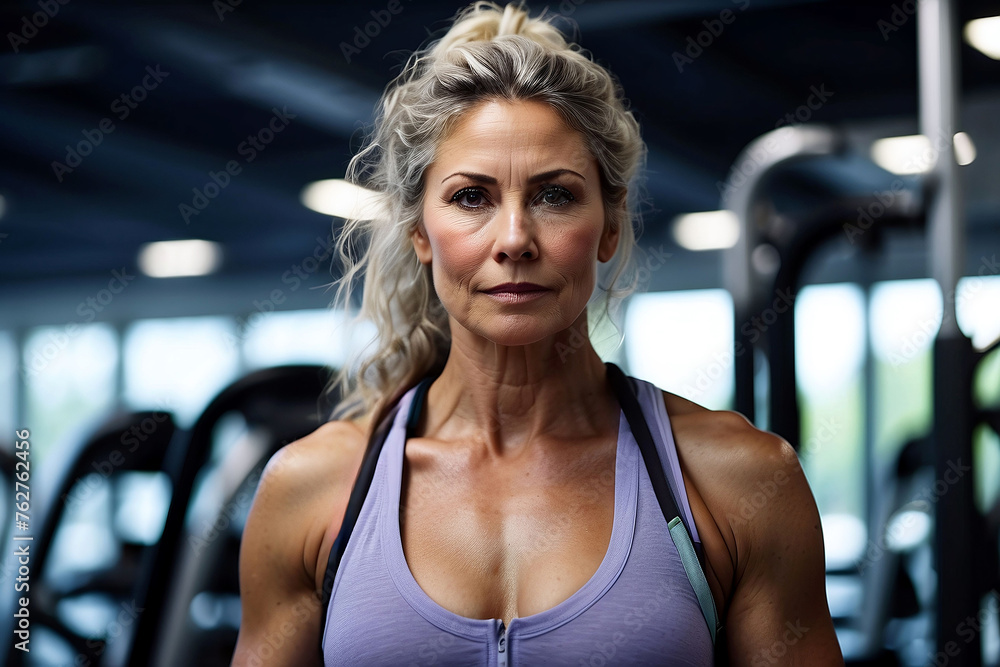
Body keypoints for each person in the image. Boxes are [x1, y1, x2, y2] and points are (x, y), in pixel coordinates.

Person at [231, 2, 844, 665]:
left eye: (555, 195)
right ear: (418, 232)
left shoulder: (739, 482)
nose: (516, 238)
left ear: (609, 224)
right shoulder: (312, 489)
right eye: (472, 197)